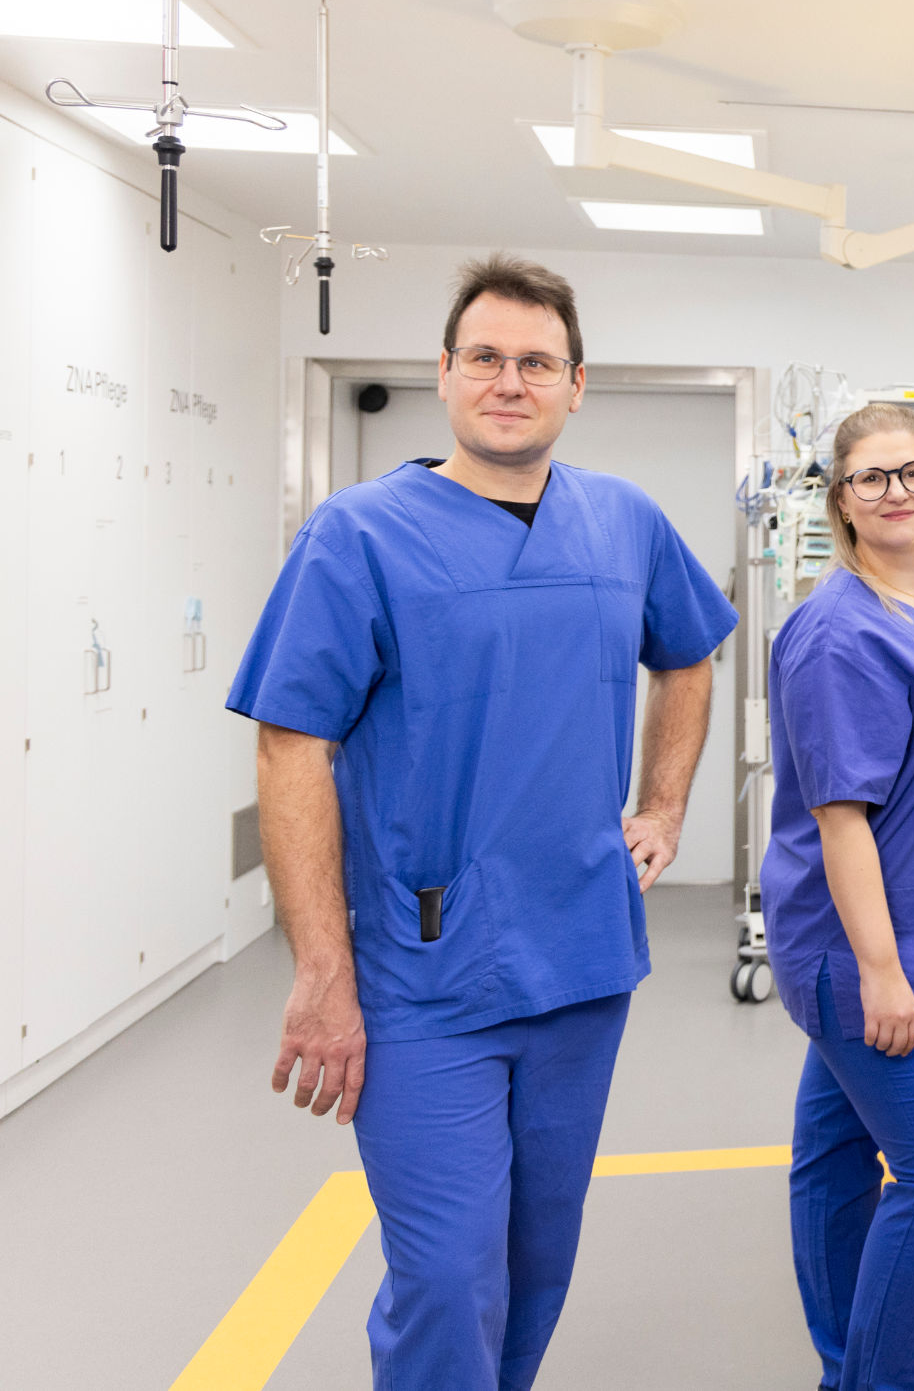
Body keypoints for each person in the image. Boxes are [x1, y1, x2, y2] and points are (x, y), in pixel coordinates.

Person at [230, 253, 736, 1391]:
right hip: (422, 973)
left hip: (581, 954)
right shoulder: (358, 535)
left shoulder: (624, 520)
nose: (512, 381)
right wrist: (322, 971)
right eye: (488, 358)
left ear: (577, 384)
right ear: (445, 372)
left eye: (538, 363)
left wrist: (663, 806)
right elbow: (290, 745)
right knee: (450, 1270)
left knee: (537, 1260)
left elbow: (690, 652)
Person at [763, 405, 914, 1391]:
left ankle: (848, 1370)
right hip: (869, 949)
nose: (897, 491)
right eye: (871, 477)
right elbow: (840, 819)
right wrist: (879, 971)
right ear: (841, 500)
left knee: (833, 1154)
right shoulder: (840, 634)